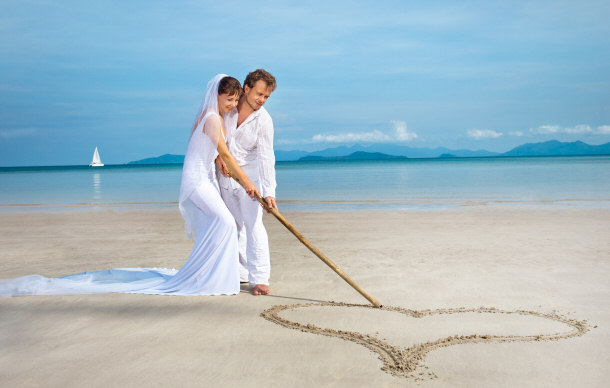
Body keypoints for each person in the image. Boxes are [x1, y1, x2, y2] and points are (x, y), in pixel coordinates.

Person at [0, 74, 259, 297]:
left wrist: (219, 160)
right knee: (224, 222)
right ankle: (208, 278)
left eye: (236, 100)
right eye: (229, 99)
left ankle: (208, 275)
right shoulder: (212, 118)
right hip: (197, 180)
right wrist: (247, 183)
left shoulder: (212, 116)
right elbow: (224, 154)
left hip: (207, 178)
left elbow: (213, 151)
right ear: (216, 95)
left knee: (214, 226)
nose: (233, 105)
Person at [215, 69, 277, 296]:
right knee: (232, 225)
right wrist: (217, 156)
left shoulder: (264, 121)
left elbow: (266, 157)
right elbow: (214, 136)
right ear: (247, 88)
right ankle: (240, 273)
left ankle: (259, 278)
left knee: (253, 224)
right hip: (224, 176)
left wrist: (269, 192)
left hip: (251, 181)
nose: (262, 100)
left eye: (266, 97)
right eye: (259, 94)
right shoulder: (228, 107)